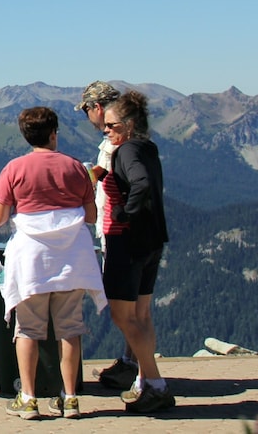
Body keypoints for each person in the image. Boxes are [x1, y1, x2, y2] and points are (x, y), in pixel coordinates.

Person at [0, 107, 107, 420]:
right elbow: (91, 216)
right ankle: (69, 398)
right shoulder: (76, 168)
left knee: (27, 329)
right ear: (54, 133)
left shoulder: (14, 168)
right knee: (69, 328)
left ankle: (27, 398)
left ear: (26, 135)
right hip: (73, 256)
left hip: (32, 259)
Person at [101, 90, 175, 412]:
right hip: (152, 241)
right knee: (142, 316)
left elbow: (141, 183)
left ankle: (156, 384)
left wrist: (123, 212)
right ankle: (146, 382)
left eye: (111, 126)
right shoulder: (147, 147)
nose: (106, 131)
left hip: (127, 243)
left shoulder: (126, 151)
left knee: (122, 316)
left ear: (129, 125)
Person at [75, 81, 139, 390]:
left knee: (125, 303)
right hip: (123, 229)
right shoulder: (126, 135)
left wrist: (78, 178)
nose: (87, 116)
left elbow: (108, 173)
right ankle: (133, 362)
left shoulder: (116, 140)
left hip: (120, 230)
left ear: (96, 108)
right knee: (133, 301)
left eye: (86, 109)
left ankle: (135, 366)